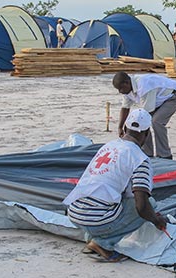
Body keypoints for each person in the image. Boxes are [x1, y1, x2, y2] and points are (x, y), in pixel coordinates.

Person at [63, 108, 168, 262]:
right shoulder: (140, 159)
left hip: (74, 212)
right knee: (149, 204)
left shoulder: (108, 147)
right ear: (146, 135)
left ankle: (91, 237)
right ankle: (102, 244)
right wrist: (156, 220)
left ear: (125, 128)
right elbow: (141, 206)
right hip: (95, 219)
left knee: (111, 198)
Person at [113, 72, 176, 159]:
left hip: (174, 96)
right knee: (143, 123)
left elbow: (145, 114)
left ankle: (165, 155)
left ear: (126, 83)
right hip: (158, 100)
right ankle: (147, 153)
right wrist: (120, 127)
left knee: (156, 122)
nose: (120, 91)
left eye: (121, 88)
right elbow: (125, 108)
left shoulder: (144, 86)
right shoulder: (127, 90)